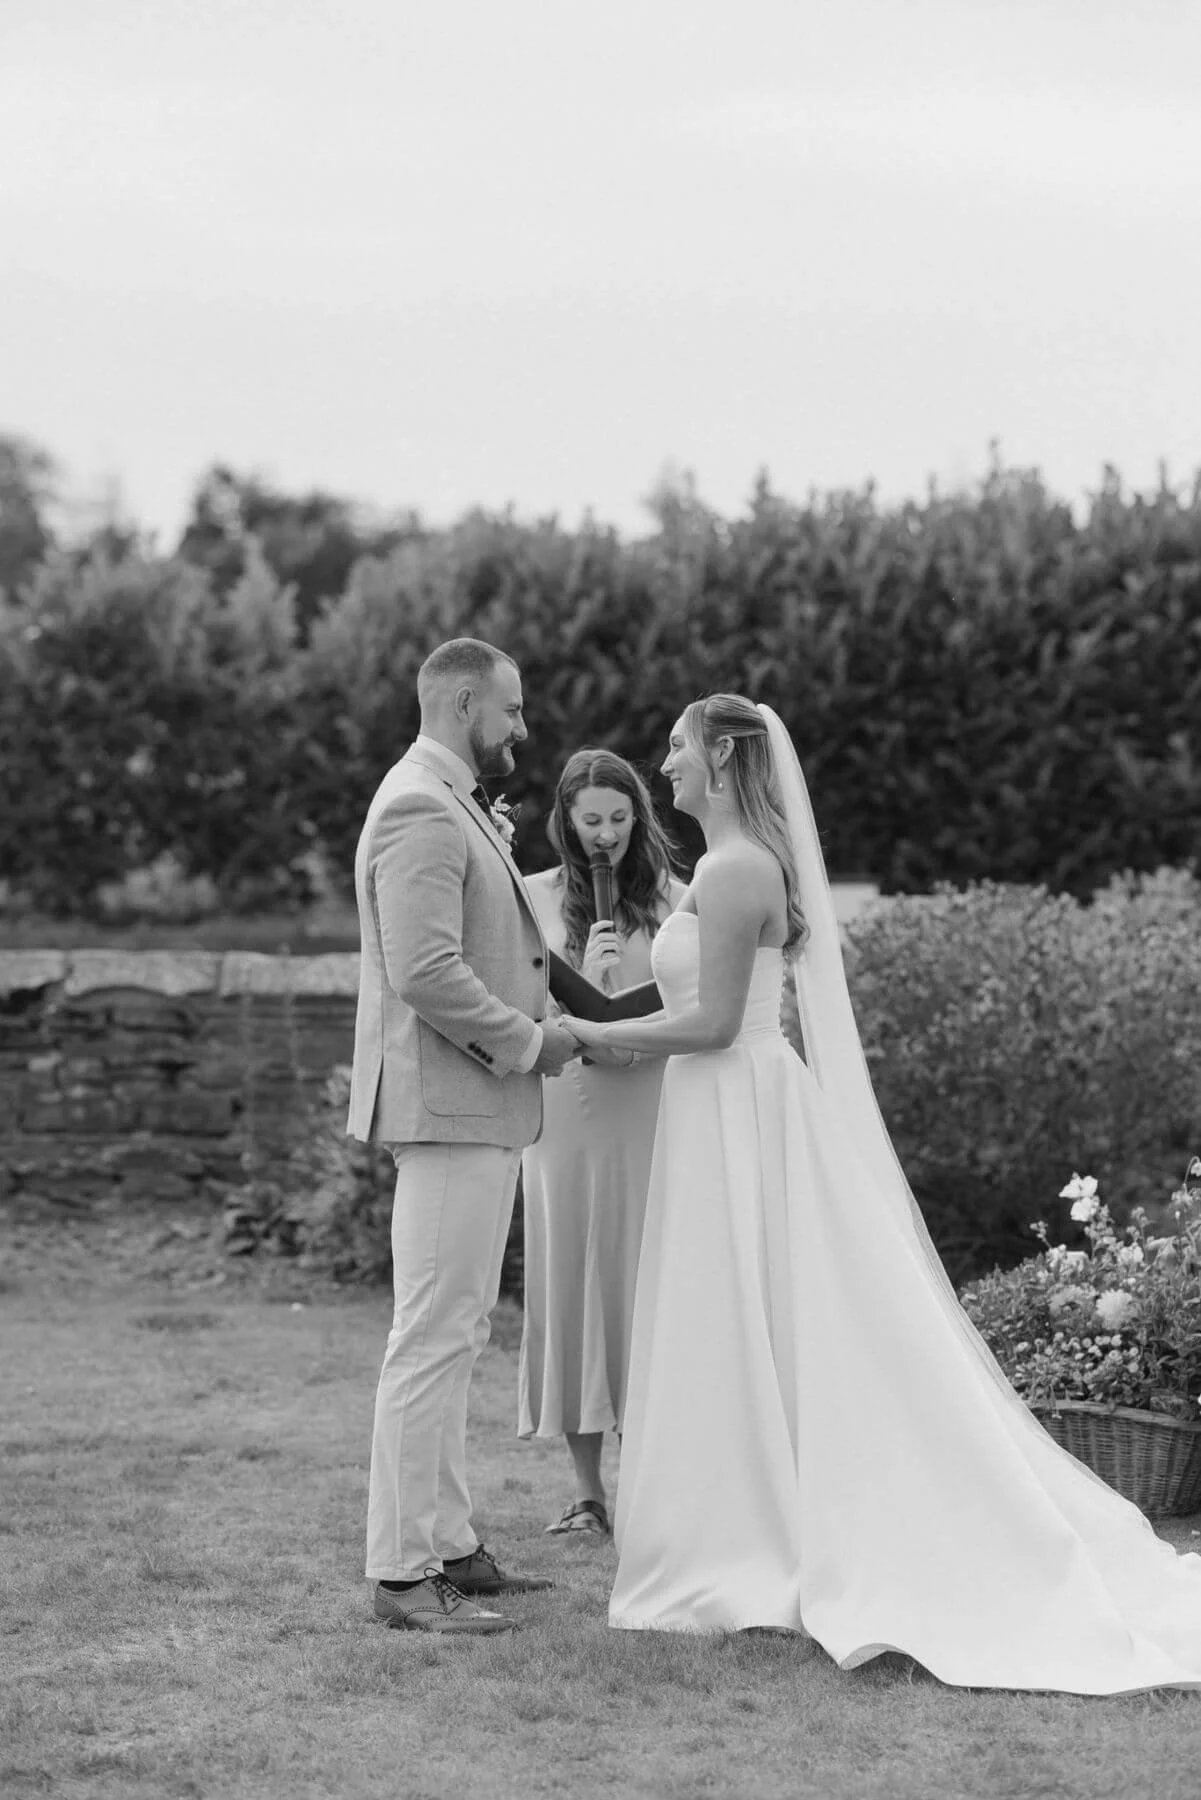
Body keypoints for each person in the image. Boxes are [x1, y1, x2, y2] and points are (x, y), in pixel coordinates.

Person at [562, 694, 1201, 1694]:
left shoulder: (734, 871)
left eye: (679, 749)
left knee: (758, 1310)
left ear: (723, 758)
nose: (667, 766)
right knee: (738, 1319)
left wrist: (588, 1038)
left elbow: (714, 1024)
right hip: (717, 1114)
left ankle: (760, 1536)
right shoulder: (719, 870)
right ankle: (744, 1516)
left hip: (737, 1108)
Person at [348, 637, 580, 1636]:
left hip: (474, 1111)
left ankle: (449, 1544)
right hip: (448, 1108)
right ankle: (402, 1574)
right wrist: (530, 1041)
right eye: (511, 711)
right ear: (459, 700)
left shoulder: (452, 802)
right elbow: (428, 973)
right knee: (429, 1339)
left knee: (459, 1331)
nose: (521, 729)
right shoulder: (415, 805)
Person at [519, 750, 686, 1536]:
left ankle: (658, 1480)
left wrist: (621, 1001)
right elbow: (514, 1002)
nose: (607, 835)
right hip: (567, 1112)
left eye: (620, 819)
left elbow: (692, 1003)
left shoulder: (679, 905)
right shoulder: (529, 901)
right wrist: (582, 977)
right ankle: (587, 1493)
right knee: (576, 1283)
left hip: (652, 1108)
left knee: (647, 1286)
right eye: (591, 820)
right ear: (565, 820)